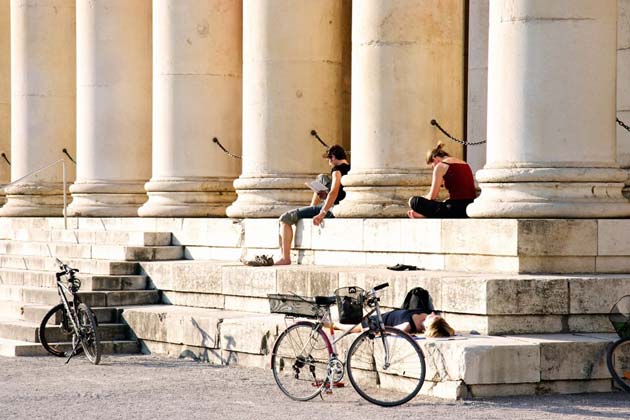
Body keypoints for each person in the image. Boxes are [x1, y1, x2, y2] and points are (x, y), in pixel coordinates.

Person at [275, 144, 350, 265]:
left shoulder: (337, 170)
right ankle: (312, 207)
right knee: (321, 178)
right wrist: (325, 196)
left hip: (331, 208)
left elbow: (334, 191)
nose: (329, 163)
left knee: (285, 218)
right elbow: (340, 192)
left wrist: (322, 213)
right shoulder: (350, 168)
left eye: (329, 160)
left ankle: (285, 257)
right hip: (338, 204)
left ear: (333, 157)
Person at [407, 142, 477, 219]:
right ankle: (426, 214)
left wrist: (423, 198)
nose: (433, 168)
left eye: (432, 166)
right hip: (470, 208)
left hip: (455, 210)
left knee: (413, 201)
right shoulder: (465, 163)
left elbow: (432, 197)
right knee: (444, 203)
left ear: (434, 159)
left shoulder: (441, 166)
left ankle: (424, 214)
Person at [337, 309, 455, 338]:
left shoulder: (408, 326)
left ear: (429, 326)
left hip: (377, 322)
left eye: (433, 317)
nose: (433, 313)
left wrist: (371, 330)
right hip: (385, 315)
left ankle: (328, 324)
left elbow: (389, 330)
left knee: (349, 328)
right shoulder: (425, 315)